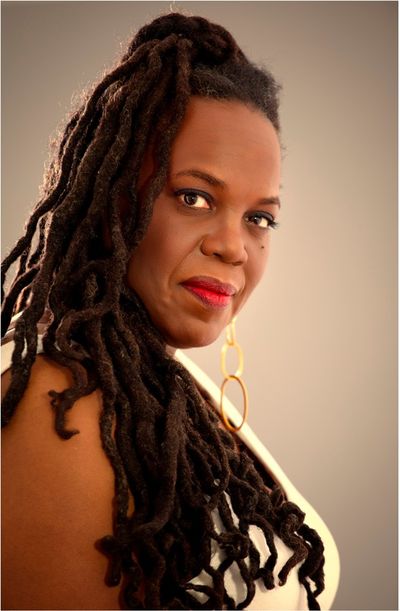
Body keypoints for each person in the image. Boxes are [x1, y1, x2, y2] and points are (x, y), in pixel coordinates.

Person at [1, 12, 340, 611]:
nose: (234, 246)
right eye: (194, 197)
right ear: (113, 200)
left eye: (259, 218)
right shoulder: (56, 405)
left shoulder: (161, 382)